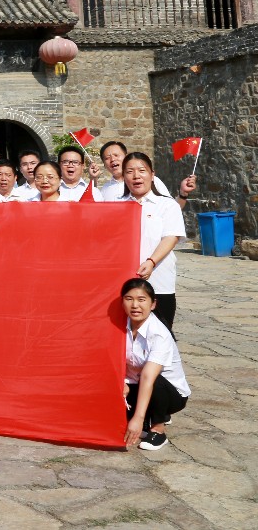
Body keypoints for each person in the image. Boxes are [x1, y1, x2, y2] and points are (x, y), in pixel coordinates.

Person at [122, 278, 190, 450]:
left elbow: (148, 377)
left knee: (155, 380)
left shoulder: (159, 334)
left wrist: (137, 418)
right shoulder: (120, 326)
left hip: (168, 393)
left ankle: (158, 429)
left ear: (153, 304)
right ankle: (145, 418)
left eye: (141, 300)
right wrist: (120, 382)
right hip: (135, 384)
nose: (135, 305)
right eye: (129, 299)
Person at [122, 152, 185, 332]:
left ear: (152, 174)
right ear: (124, 176)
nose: (136, 176)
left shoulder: (167, 205)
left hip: (158, 281)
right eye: (130, 171)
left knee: (161, 333)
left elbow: (171, 237)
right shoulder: (115, 205)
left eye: (142, 170)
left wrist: (151, 262)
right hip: (124, 282)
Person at [99, 141, 195, 207]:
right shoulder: (105, 189)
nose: (113, 159)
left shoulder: (151, 181)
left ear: (126, 157)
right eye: (107, 158)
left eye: (116, 155)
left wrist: (183, 194)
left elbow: (172, 209)